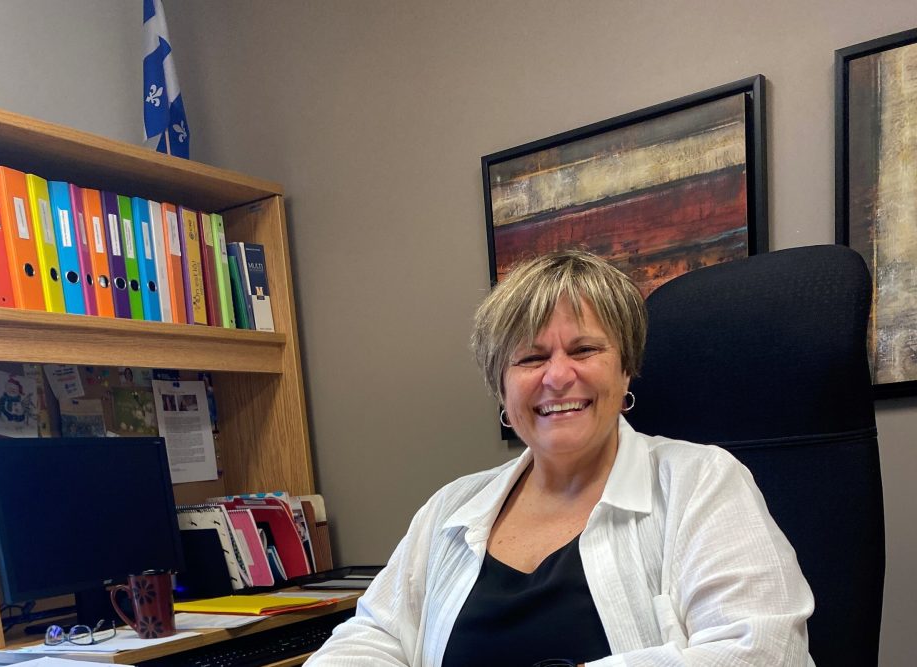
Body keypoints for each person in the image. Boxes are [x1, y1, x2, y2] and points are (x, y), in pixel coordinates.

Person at [305, 249, 814, 667]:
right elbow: (370, 638)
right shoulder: (450, 509)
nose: (557, 376)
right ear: (502, 390)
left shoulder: (701, 481)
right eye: (531, 358)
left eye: (585, 349)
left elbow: (765, 652)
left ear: (626, 368)